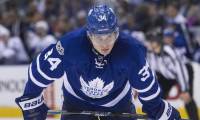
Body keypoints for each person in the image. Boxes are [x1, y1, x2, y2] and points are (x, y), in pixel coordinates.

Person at [15, 4, 181, 120]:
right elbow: (40, 70)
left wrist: (157, 108)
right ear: (89, 34)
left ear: (117, 33)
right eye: (99, 37)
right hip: (76, 101)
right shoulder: (71, 45)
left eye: (109, 36)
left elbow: (147, 86)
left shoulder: (131, 50)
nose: (105, 43)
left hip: (118, 102)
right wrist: (31, 97)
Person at [147, 33, 199, 120]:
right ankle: (157, 117)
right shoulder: (151, 52)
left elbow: (181, 70)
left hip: (185, 71)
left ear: (159, 43)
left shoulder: (169, 50)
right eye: (151, 43)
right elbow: (152, 70)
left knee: (187, 98)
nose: (152, 46)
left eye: (154, 44)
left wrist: (185, 89)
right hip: (166, 74)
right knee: (158, 97)